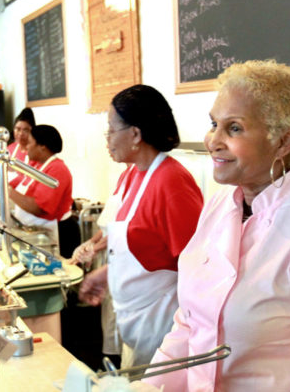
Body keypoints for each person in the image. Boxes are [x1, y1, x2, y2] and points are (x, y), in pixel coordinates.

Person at [143, 60, 290, 391]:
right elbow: (189, 325)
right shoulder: (219, 205)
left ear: (283, 141)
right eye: (214, 124)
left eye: (234, 128)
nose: (213, 140)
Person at [74, 84, 203, 369]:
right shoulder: (132, 175)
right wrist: (108, 274)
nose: (107, 139)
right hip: (135, 323)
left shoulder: (171, 183)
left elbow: (198, 268)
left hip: (164, 328)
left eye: (111, 130)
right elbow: (143, 246)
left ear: (135, 134)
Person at [5, 125, 76, 253]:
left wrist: (8, 191)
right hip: (37, 231)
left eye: (30, 143)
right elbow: (17, 183)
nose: (26, 148)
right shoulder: (36, 165)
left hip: (59, 234)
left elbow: (39, 207)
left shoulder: (57, 169)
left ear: (42, 146)